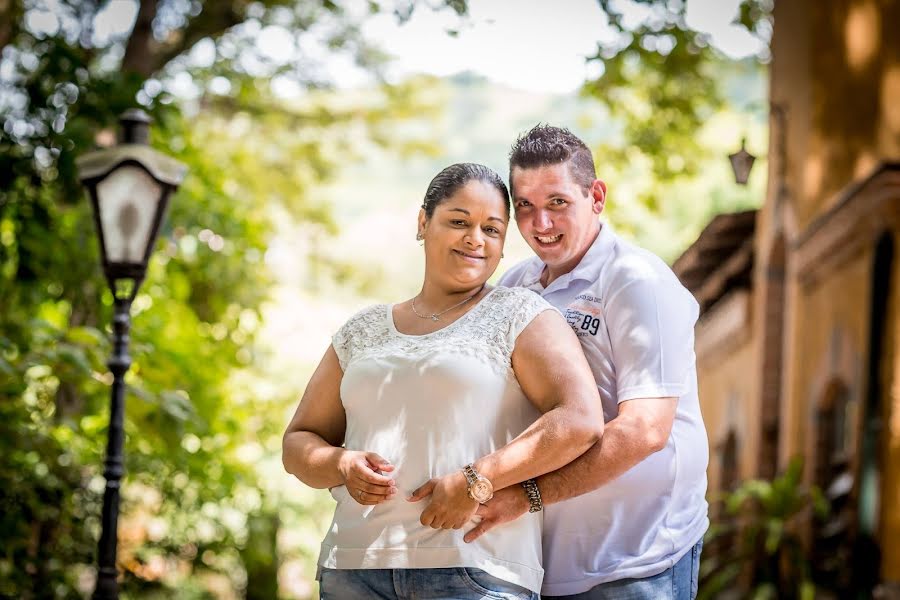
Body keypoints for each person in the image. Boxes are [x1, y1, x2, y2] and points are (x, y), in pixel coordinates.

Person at [282, 162, 604, 600]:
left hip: (474, 570)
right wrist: (339, 464)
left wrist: (478, 478)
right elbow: (299, 440)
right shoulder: (363, 329)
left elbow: (580, 419)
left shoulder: (521, 314)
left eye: (492, 229)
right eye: (459, 222)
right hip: (354, 567)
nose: (475, 239)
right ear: (423, 222)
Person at [465, 125, 709, 600]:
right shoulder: (516, 286)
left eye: (558, 202)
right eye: (526, 208)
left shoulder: (636, 279)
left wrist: (525, 495)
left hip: (636, 562)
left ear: (595, 196)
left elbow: (644, 430)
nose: (541, 224)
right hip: (538, 563)